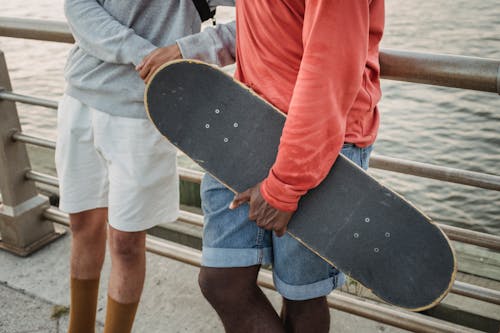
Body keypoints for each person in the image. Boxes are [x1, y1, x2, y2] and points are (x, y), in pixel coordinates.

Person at [197, 1, 385, 332]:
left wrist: (285, 185)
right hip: (248, 119)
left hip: (321, 144)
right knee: (221, 281)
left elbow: (329, 71)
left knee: (301, 297)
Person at [56, 1, 235, 332]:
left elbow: (264, 23)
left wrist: (184, 52)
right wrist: (141, 52)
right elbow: (77, 5)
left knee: (125, 244)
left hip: (145, 112)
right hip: (80, 98)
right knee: (82, 226)